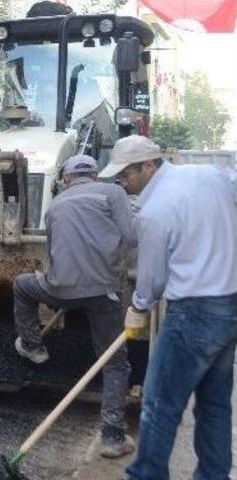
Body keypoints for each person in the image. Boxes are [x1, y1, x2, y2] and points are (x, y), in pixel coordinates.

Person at [104, 136, 237, 480]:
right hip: (229, 305)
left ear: (149, 165)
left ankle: (145, 475)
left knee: (160, 404)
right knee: (214, 405)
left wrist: (138, 308)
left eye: (127, 175)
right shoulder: (210, 176)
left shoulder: (154, 210)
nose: (122, 182)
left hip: (192, 313)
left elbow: (151, 280)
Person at [12, 154, 137, 458]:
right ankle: (112, 437)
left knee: (21, 285)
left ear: (66, 179)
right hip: (104, 293)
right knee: (115, 362)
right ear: (95, 175)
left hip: (59, 289)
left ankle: (33, 346)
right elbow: (133, 237)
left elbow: (54, 251)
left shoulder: (54, 206)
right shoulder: (114, 193)